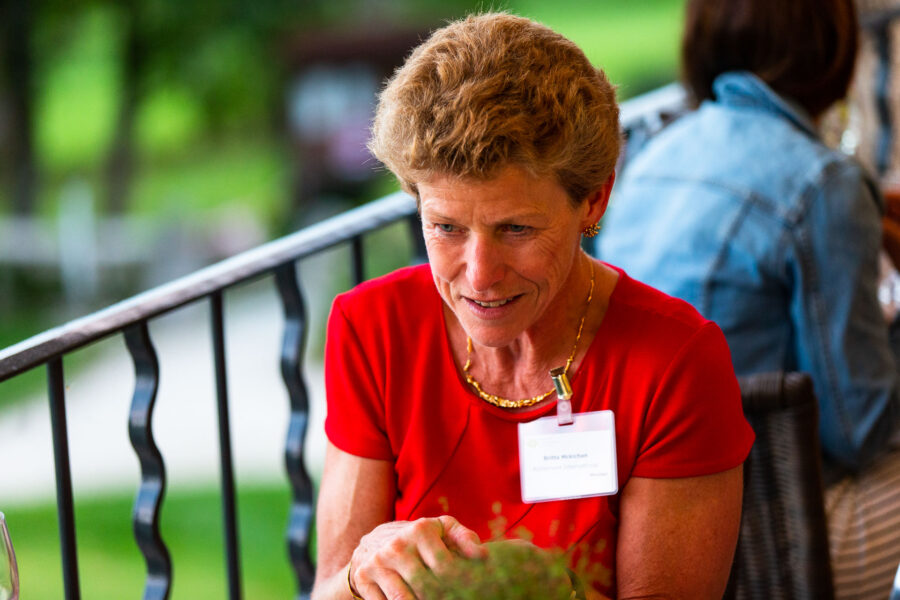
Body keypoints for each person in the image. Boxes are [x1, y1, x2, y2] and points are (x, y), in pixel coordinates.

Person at [312, 13, 754, 600]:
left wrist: (549, 592)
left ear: (594, 201)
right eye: (445, 227)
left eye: (515, 228)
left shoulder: (673, 361)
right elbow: (326, 593)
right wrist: (362, 568)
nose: (479, 274)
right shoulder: (374, 328)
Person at [597, 0, 900, 597]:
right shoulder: (822, 182)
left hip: (635, 525)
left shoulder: (655, 149)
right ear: (834, 49)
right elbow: (859, 427)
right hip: (768, 539)